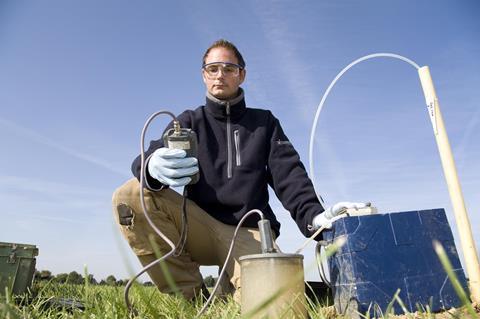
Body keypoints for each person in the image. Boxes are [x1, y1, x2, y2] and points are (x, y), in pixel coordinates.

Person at [112, 39, 366, 301]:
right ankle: (190, 297)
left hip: (250, 231)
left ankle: (228, 286)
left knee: (273, 303)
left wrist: (315, 217)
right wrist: (152, 166)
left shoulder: (264, 123)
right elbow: (146, 160)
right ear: (204, 75)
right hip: (199, 227)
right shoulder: (188, 121)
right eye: (212, 68)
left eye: (229, 68)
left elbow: (290, 176)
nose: (220, 75)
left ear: (241, 75)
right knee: (129, 196)